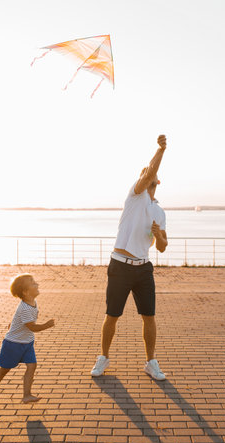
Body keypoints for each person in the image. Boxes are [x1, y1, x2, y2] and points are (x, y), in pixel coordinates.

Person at [91, 134, 168, 380]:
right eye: (145, 173)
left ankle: (151, 362)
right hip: (120, 267)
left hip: (143, 269)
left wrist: (159, 235)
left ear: (158, 181)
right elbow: (146, 175)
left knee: (149, 317)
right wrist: (160, 150)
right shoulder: (135, 196)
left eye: (150, 174)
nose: (146, 176)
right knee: (112, 316)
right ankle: (103, 357)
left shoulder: (159, 211)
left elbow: (163, 247)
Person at [0, 273, 55, 404]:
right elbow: (32, 327)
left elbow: (19, 318)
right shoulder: (25, 307)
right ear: (25, 292)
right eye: (33, 283)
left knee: (32, 365)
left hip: (27, 342)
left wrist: (12, 324)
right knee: (5, 369)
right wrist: (47, 325)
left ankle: (27, 395)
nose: (37, 284)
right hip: (13, 344)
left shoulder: (32, 302)